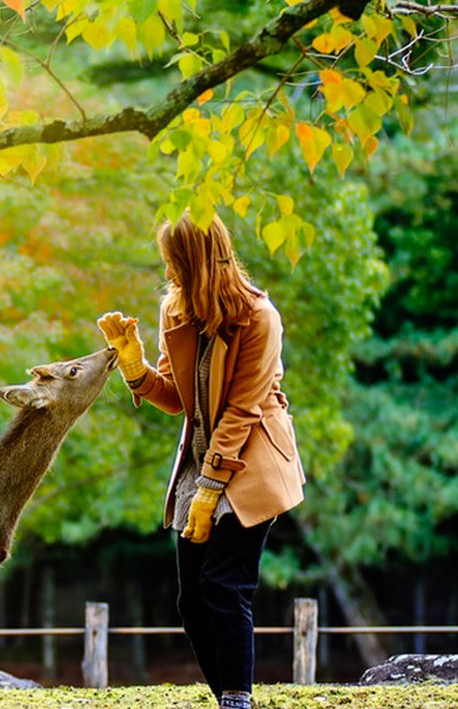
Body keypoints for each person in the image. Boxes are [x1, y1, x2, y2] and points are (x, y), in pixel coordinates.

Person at [97, 211, 305, 709]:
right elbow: (177, 397)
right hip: (202, 457)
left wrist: (210, 493)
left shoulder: (259, 317)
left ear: (197, 263)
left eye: (175, 263)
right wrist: (133, 363)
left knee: (224, 586)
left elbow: (242, 410)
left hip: (251, 461)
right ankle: (226, 699)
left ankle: (237, 700)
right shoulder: (177, 309)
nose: (168, 273)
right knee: (191, 602)